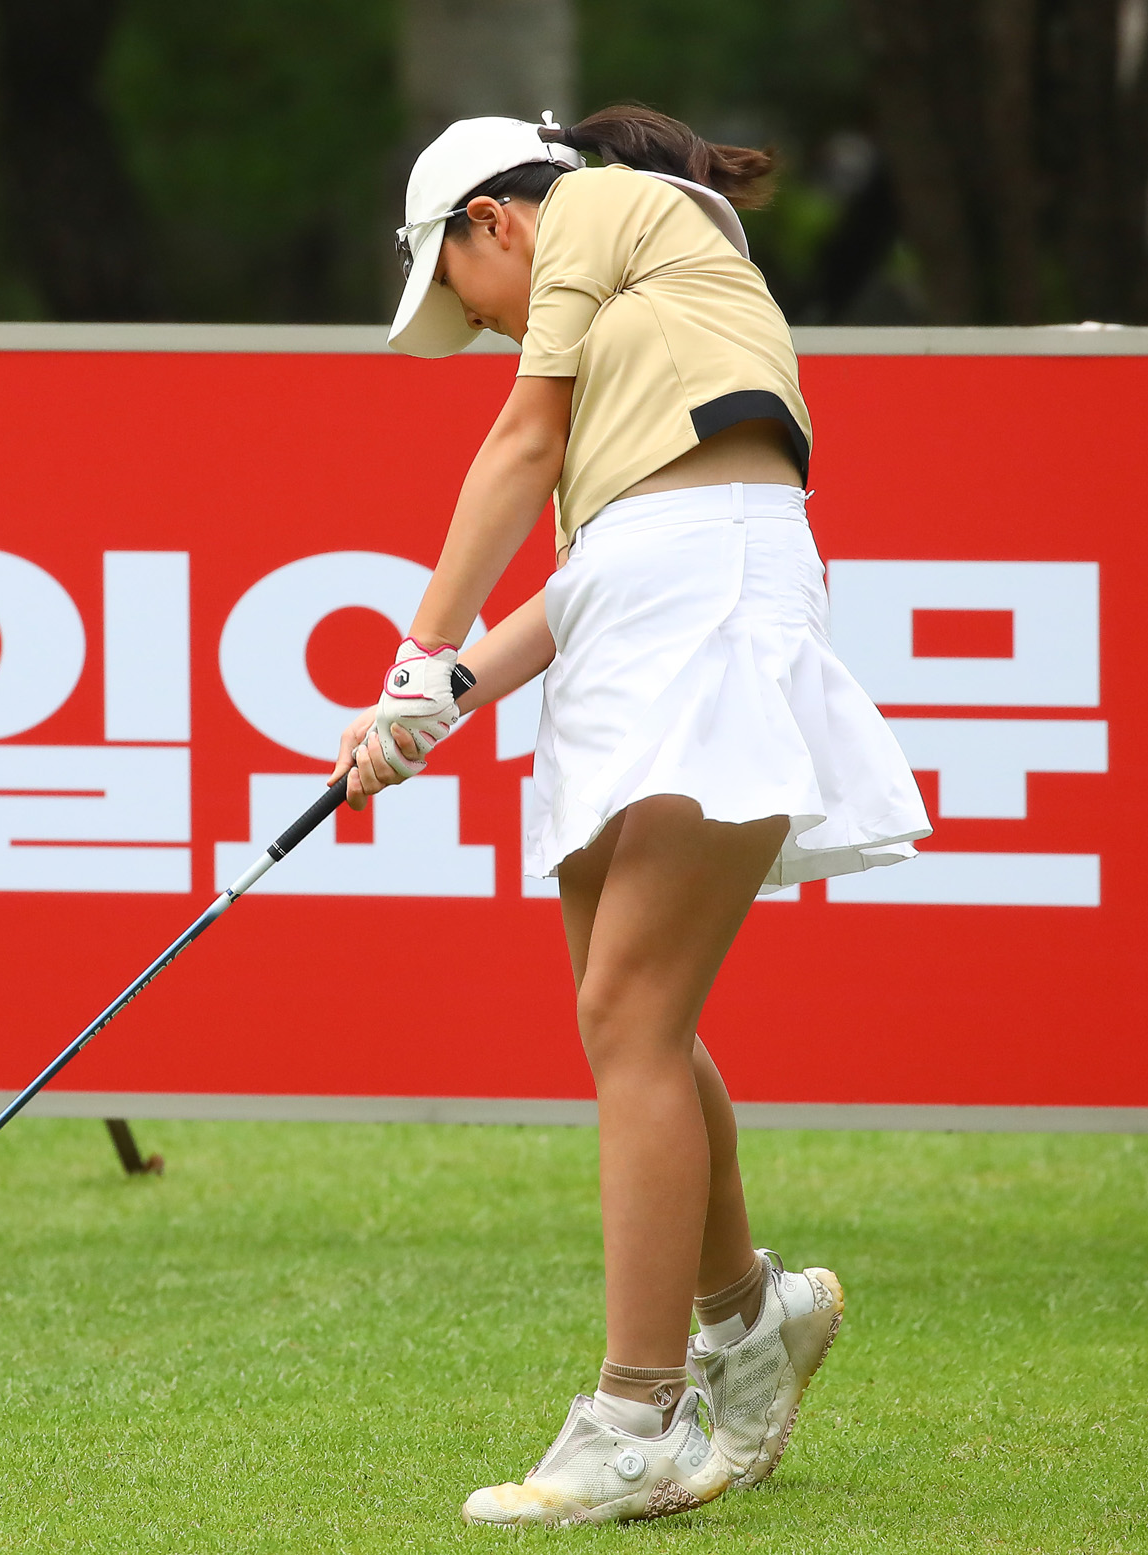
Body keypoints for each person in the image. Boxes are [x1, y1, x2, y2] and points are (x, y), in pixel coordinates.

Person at [333, 107, 931, 1527]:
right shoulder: (630, 318)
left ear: (497, 220)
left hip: (708, 596)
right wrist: (451, 694)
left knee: (632, 1019)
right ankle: (750, 1316)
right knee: (628, 1020)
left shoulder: (599, 204)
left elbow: (519, 448)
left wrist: (413, 660)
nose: (473, 330)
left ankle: (631, 1416)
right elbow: (598, 564)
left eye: (458, 296)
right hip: (642, 599)